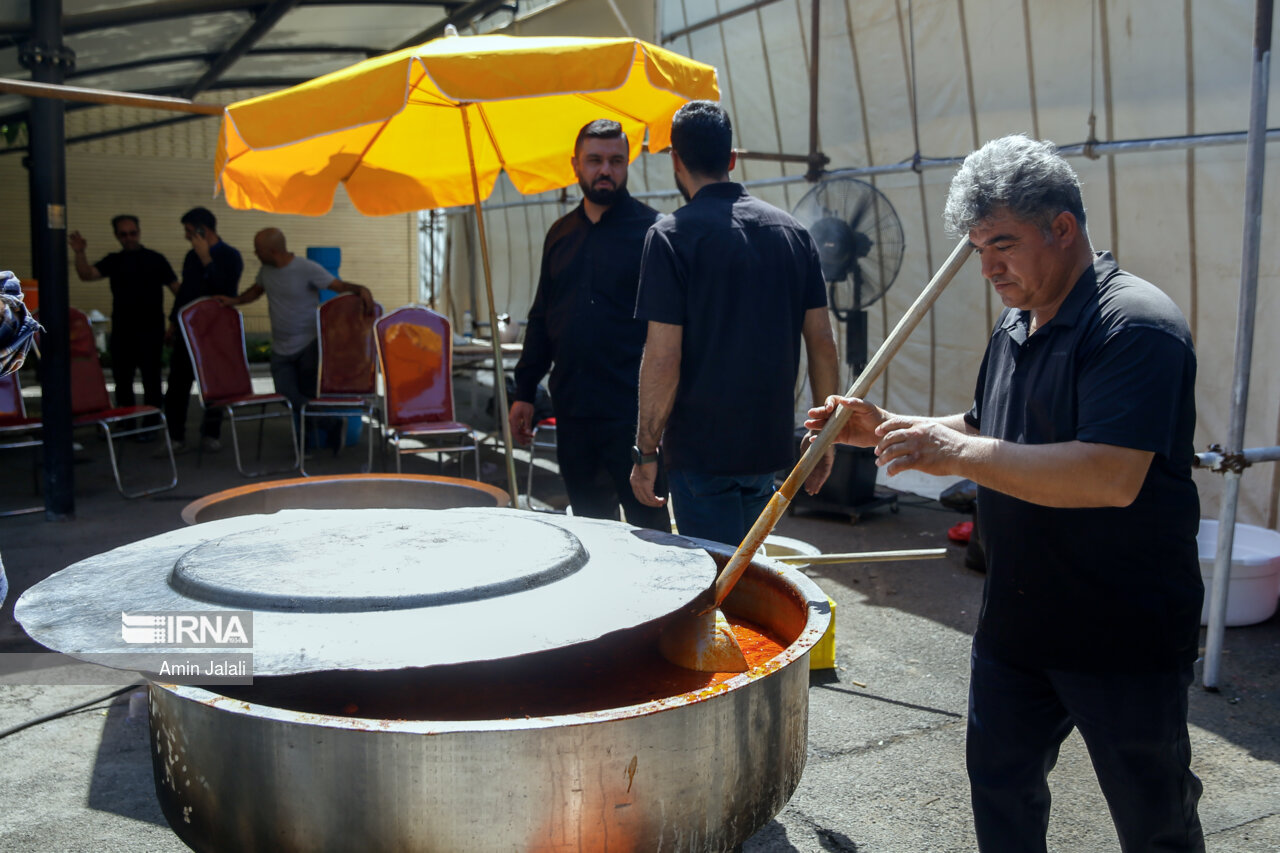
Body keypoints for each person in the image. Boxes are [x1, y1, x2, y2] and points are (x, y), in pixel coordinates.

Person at [806, 135, 1204, 852]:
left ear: (1063, 228)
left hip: (1121, 629)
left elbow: (1110, 475)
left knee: (1154, 818)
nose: (987, 267)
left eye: (1002, 244)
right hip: (1018, 621)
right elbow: (986, 424)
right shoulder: (1017, 321)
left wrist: (957, 451)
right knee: (1001, 790)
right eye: (978, 248)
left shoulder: (1135, 325)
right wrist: (886, 428)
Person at [629, 100, 839, 547]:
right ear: (731, 159)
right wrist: (825, 438)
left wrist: (646, 451)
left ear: (675, 160)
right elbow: (822, 341)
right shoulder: (793, 234)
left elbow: (664, 357)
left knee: (718, 587)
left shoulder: (670, 236)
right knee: (751, 577)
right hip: (767, 449)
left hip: (700, 454)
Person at [508, 119, 669, 531]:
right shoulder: (560, 235)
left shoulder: (654, 233)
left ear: (627, 164)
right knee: (592, 532)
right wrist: (524, 390)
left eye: (616, 161)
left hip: (633, 416)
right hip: (575, 413)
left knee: (649, 535)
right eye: (594, 160)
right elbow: (543, 315)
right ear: (575, 164)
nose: (605, 170)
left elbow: (672, 330)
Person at [218, 227, 374, 436]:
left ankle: (306, 444)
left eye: (258, 250)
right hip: (280, 348)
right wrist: (234, 301)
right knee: (285, 394)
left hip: (307, 344)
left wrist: (361, 289)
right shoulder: (266, 271)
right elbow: (255, 292)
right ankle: (331, 425)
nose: (255, 254)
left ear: (272, 251)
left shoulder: (306, 268)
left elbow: (338, 285)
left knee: (307, 394)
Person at [68, 216, 177, 430]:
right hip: (123, 330)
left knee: (151, 380)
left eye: (132, 233)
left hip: (151, 329)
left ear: (139, 232)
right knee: (123, 380)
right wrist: (79, 252)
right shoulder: (114, 260)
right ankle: (126, 423)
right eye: (124, 234)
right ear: (117, 236)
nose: (129, 238)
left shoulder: (156, 259)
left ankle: (151, 423)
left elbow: (177, 290)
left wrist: (174, 324)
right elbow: (87, 274)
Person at [163, 207, 243, 453]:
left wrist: (207, 259)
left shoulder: (230, 256)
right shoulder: (190, 257)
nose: (187, 236)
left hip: (215, 331)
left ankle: (211, 433)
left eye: (190, 231)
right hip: (189, 329)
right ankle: (175, 436)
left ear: (203, 230)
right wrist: (173, 323)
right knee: (177, 384)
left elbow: (225, 291)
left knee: (213, 382)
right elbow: (186, 292)